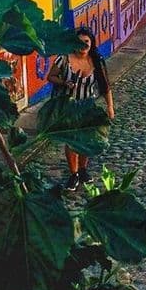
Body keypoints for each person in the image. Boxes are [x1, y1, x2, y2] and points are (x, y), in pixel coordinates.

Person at [46, 27, 115, 191]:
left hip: (88, 106)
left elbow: (105, 86)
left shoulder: (96, 60)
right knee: (72, 140)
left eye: (86, 42)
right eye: (79, 42)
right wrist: (64, 82)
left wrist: (110, 106)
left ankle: (83, 169)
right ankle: (73, 173)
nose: (83, 45)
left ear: (91, 43)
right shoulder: (64, 59)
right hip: (69, 107)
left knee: (87, 139)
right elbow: (51, 76)